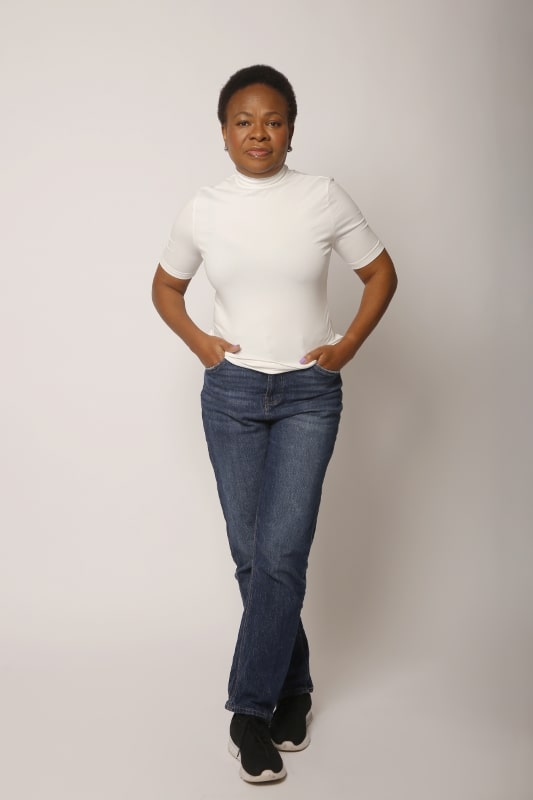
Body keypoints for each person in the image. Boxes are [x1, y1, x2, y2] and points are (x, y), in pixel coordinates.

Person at [152, 64, 397, 783]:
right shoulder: (203, 208)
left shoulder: (322, 197)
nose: (258, 133)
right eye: (243, 121)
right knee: (253, 557)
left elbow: (380, 272)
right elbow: (165, 286)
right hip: (230, 395)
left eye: (273, 120)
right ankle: (295, 687)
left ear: (291, 129)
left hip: (306, 397)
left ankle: (248, 712)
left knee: (281, 554)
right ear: (223, 132)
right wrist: (202, 344)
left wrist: (347, 346)